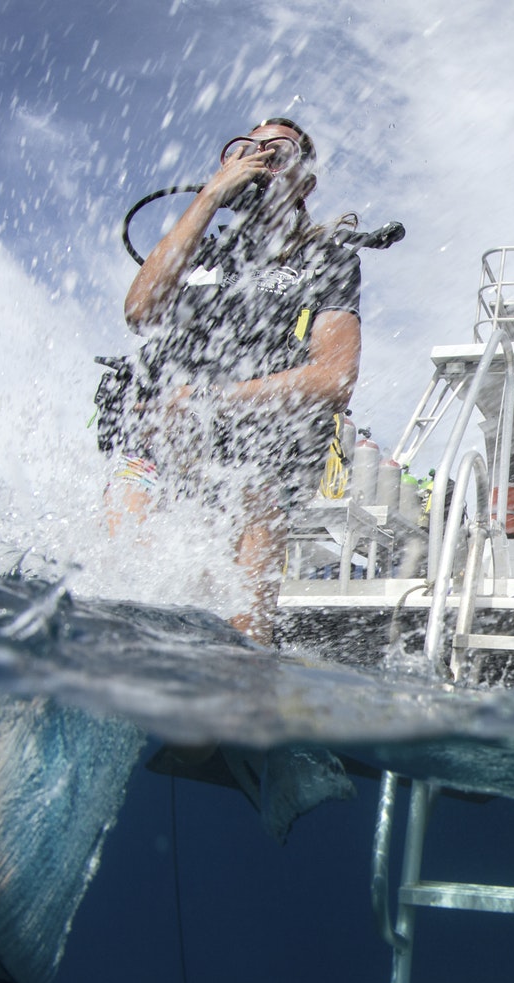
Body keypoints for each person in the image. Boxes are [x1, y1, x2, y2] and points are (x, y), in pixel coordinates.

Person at [120, 117, 362, 641]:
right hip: (160, 452)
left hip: (254, 469)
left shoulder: (327, 258)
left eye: (276, 152)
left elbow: (336, 377)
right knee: (116, 605)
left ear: (305, 182)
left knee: (242, 645)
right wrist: (208, 199)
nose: (258, 159)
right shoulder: (201, 251)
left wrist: (210, 399)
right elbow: (140, 311)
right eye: (246, 150)